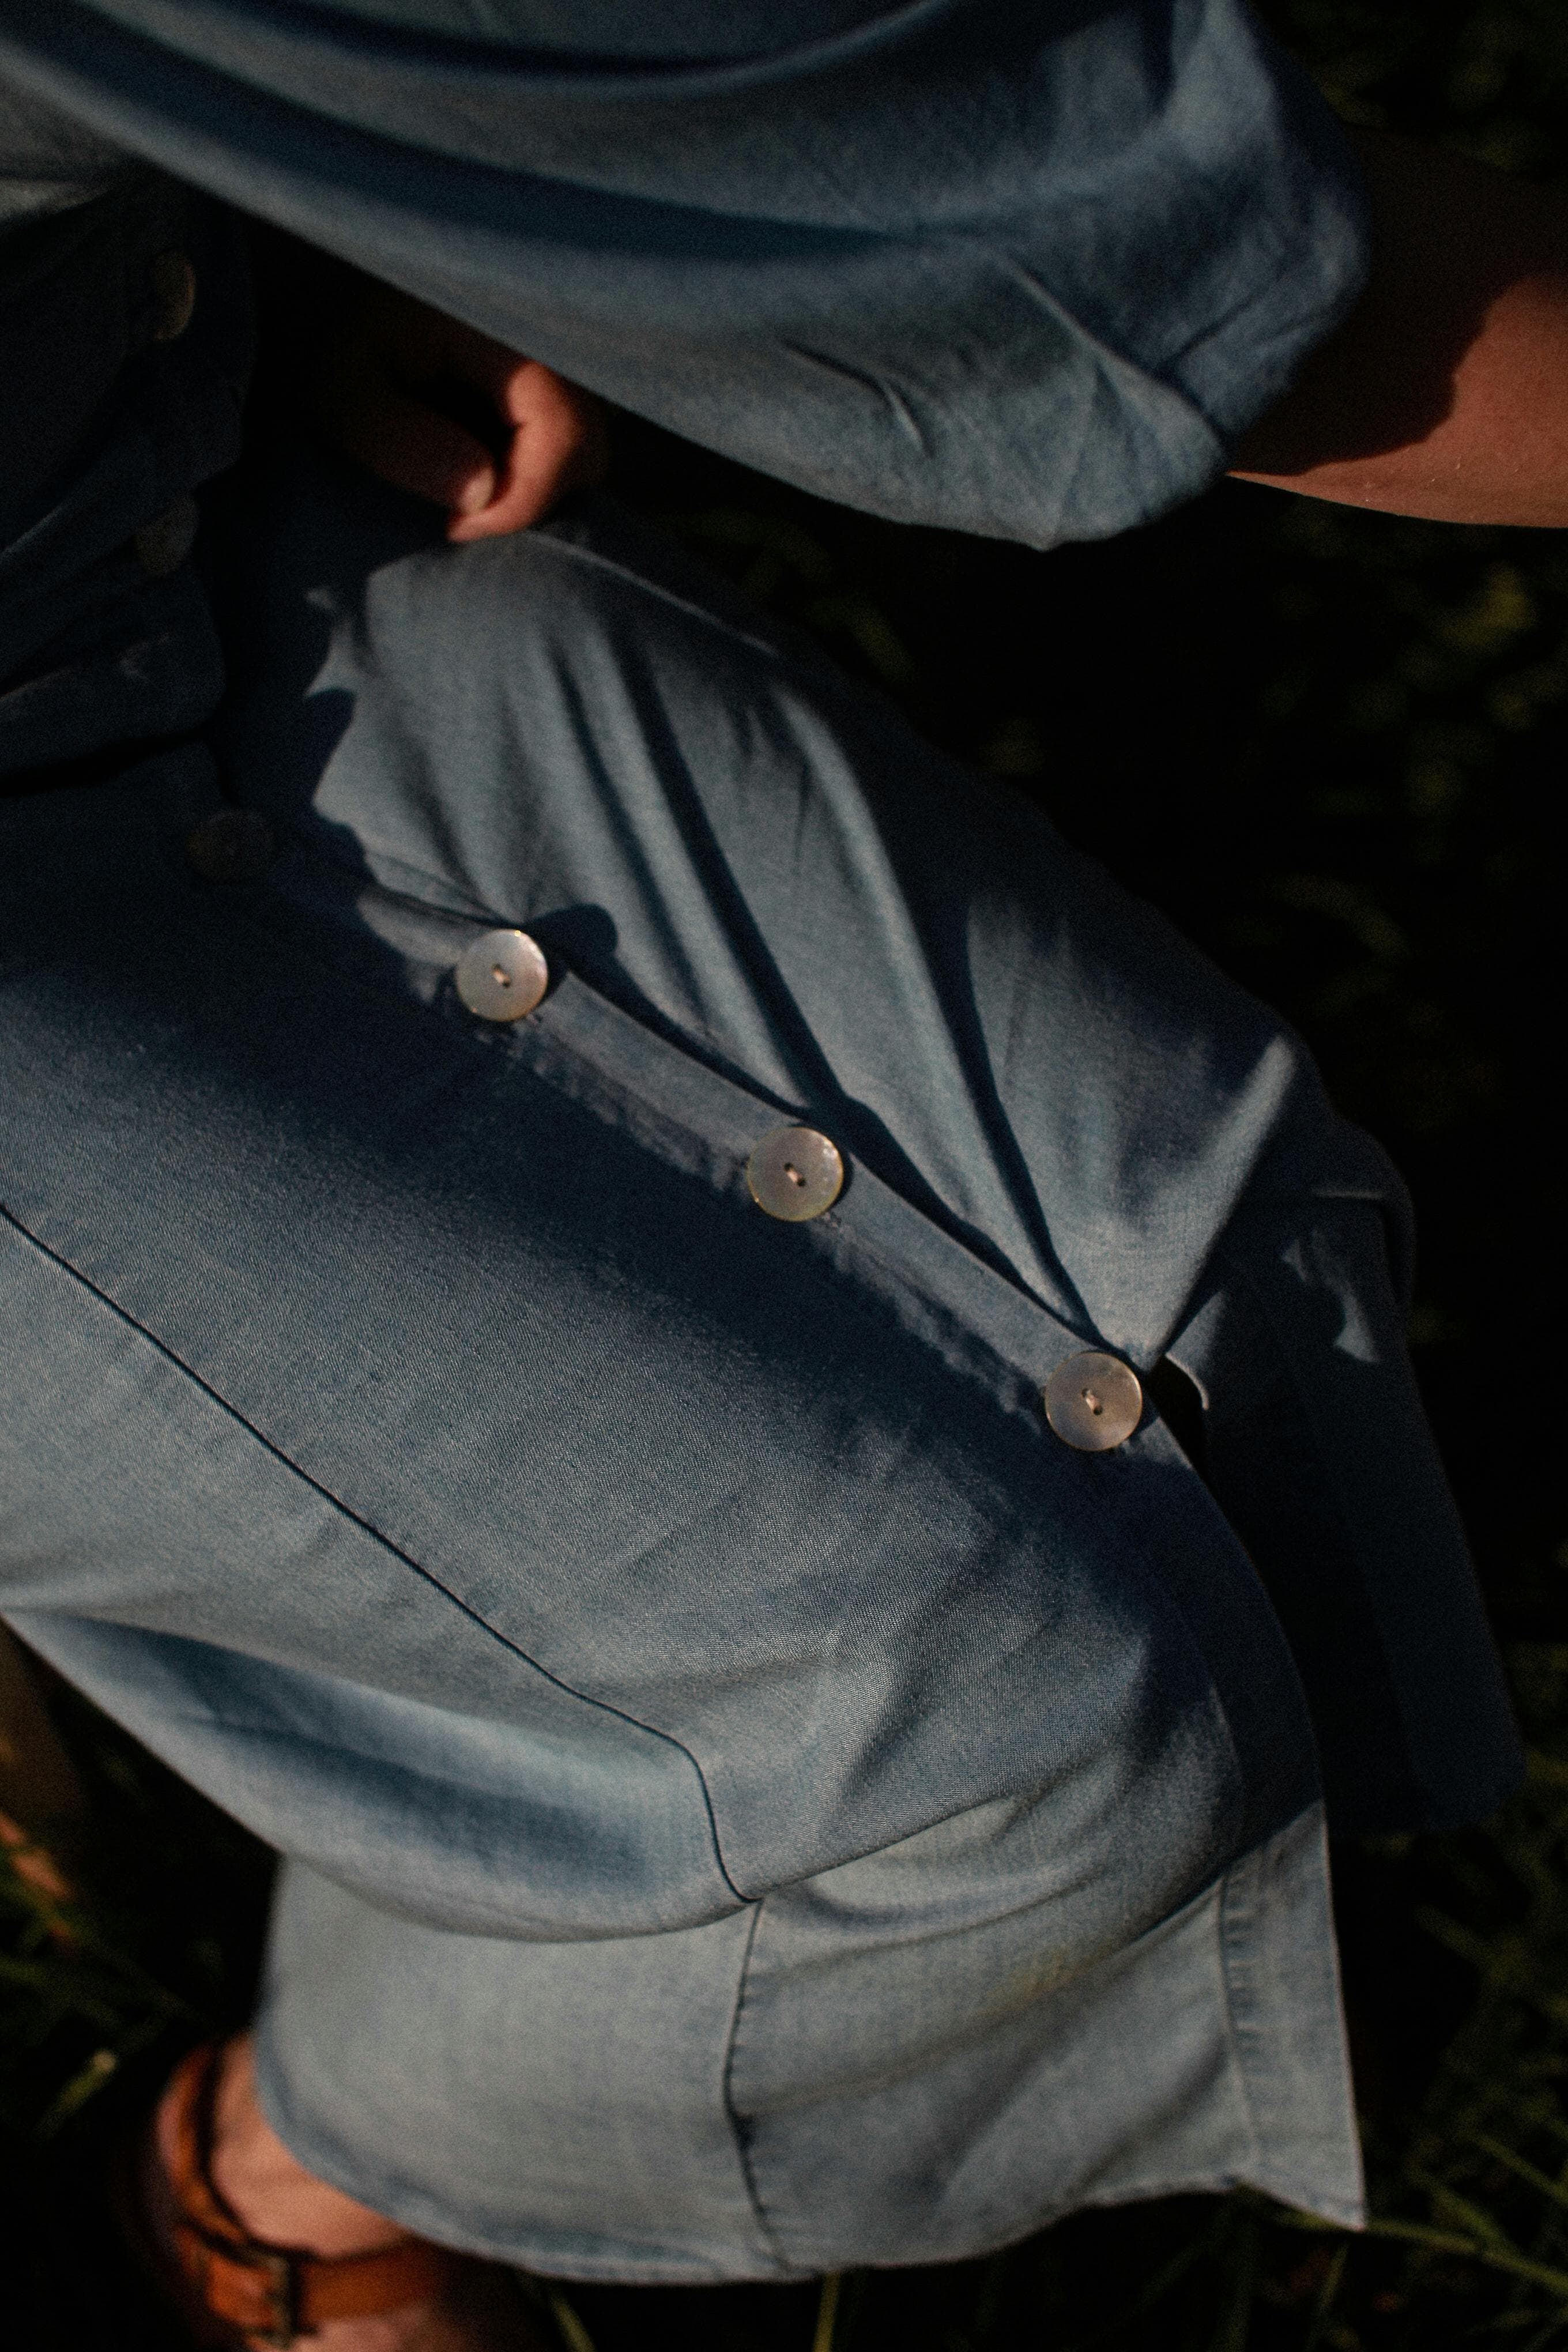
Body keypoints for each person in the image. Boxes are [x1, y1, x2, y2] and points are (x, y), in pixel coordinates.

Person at [0, 3, 1551, 2345]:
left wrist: (313, 196)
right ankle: (284, 2179)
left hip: (139, 495)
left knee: (1175, 1247)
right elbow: (1129, 257)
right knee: (1000, 1735)